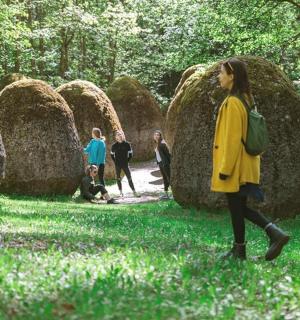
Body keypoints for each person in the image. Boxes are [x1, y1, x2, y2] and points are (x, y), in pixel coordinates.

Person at [211, 57, 289, 260]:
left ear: (232, 76)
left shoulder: (233, 103)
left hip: (235, 168)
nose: (219, 76)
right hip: (245, 165)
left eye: (221, 72)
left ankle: (273, 233)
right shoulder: (246, 100)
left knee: (237, 206)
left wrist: (225, 169)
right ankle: (240, 249)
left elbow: (232, 140)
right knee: (238, 207)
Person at [111, 131, 139, 197]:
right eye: (118, 135)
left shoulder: (127, 144)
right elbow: (112, 155)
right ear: (116, 137)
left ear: (123, 135)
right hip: (117, 164)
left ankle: (134, 192)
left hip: (125, 164)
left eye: (120, 134)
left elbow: (131, 154)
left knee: (129, 178)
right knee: (118, 178)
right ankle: (121, 192)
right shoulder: (114, 146)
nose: (119, 136)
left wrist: (127, 161)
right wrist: (115, 161)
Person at [153, 130, 171, 199]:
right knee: (165, 178)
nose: (156, 136)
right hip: (160, 163)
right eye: (155, 135)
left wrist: (168, 163)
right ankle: (166, 194)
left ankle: (175, 194)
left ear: (160, 136)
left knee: (169, 178)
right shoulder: (157, 144)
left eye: (158, 135)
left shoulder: (162, 144)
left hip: (165, 164)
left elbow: (168, 154)